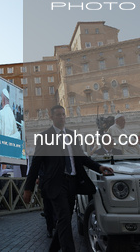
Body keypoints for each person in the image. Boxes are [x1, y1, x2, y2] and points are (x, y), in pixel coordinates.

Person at [23, 105, 114, 252]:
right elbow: (36, 163)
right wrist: (28, 187)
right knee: (64, 218)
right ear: (51, 117)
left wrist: (98, 167)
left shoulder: (72, 135)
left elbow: (82, 158)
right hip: (55, 184)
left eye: (63, 115)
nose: (62, 117)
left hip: (72, 183)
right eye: (58, 115)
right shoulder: (44, 137)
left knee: (65, 220)